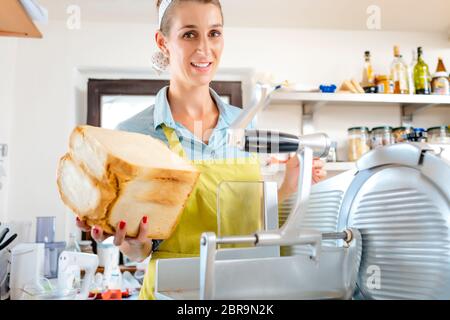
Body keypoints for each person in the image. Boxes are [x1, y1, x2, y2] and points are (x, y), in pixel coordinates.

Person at [76, 0, 326, 300]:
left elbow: (247, 215)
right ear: (163, 41)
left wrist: (288, 185)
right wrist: (129, 241)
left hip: (246, 293)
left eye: (214, 33)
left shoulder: (246, 123)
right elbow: (140, 250)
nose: (205, 49)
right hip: (173, 294)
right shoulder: (134, 134)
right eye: (189, 34)